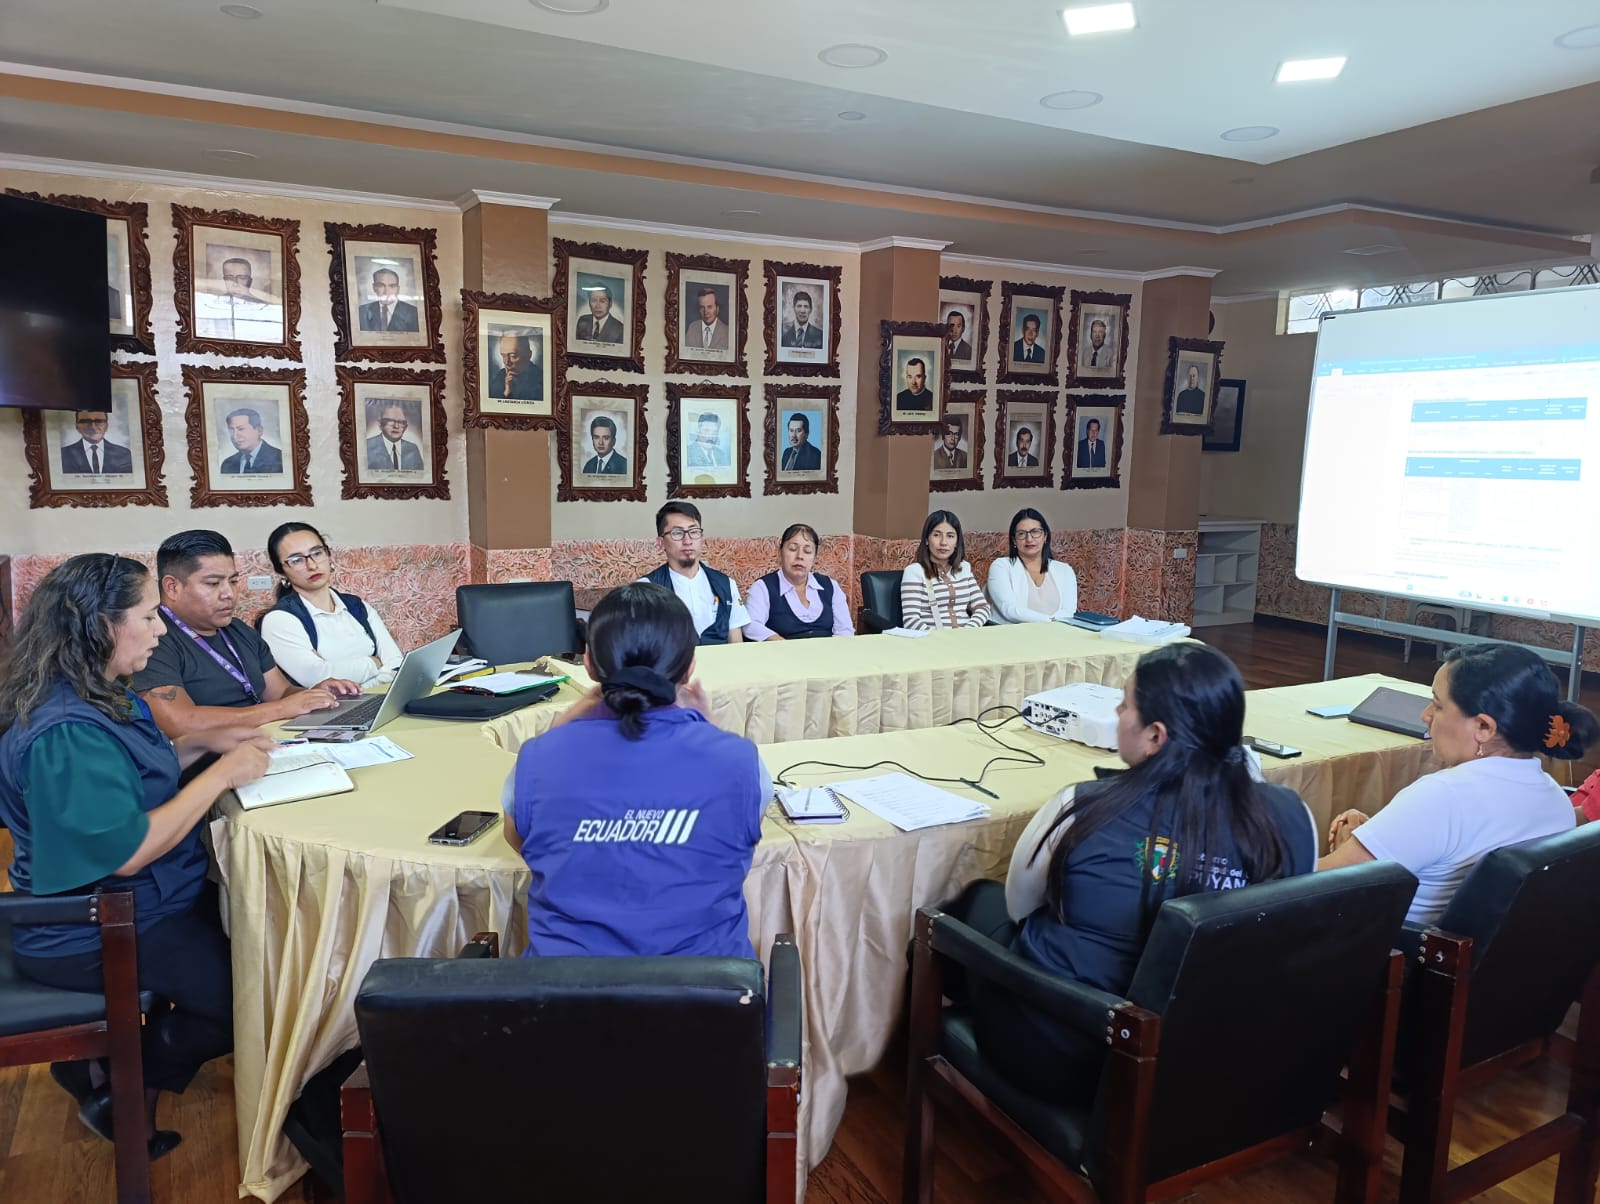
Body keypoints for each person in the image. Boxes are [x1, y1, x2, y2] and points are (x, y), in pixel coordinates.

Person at [942, 643, 1315, 1104]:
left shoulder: (1081, 807)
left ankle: (923, 1053)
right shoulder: (1293, 817)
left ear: (1155, 735)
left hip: (1068, 1056)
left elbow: (1021, 908)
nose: (1117, 713)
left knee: (976, 904)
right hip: (1211, 1058)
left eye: (1124, 704)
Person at [0, 554, 273, 1156]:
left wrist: (205, 743)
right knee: (250, 1002)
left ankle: (105, 1072)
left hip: (142, 897)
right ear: (102, 624)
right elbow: (126, 850)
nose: (159, 629)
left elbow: (135, 775)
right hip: (96, 922)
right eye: (149, 616)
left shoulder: (92, 691)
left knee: (259, 949)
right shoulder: (65, 729)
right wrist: (222, 773)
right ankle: (120, 1088)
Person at [501, 583, 767, 957]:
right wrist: (711, 730)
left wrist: (558, 732)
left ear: (589, 663)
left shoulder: (537, 761)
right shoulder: (741, 763)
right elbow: (734, 839)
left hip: (562, 991)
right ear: (689, 668)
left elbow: (521, 841)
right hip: (709, 990)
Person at [1319, 643, 1597, 925]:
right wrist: (1367, 843)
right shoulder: (1557, 800)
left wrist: (1344, 854)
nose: (1425, 715)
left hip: (1390, 945)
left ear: (1484, 727)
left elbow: (1319, 889)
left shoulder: (1443, 796)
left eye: (1438, 705)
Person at [132, 530, 361, 737]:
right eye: (213, 583)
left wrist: (315, 695)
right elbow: (176, 722)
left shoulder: (237, 629)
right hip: (215, 761)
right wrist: (280, 709)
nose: (229, 594)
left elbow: (280, 693)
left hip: (271, 745)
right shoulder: (152, 639)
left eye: (233, 581)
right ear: (172, 587)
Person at [258, 522, 404, 689]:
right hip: (327, 706)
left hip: (380, 699)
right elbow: (318, 678)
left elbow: (395, 664)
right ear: (281, 571)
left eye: (317, 553)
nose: (312, 565)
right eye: (296, 560)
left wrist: (361, 685)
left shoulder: (357, 606)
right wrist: (374, 662)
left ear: (328, 555)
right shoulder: (279, 620)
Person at [640, 502, 750, 644]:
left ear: (701, 537)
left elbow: (736, 645)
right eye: (677, 533)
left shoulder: (726, 584)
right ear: (661, 543)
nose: (687, 541)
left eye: (693, 532)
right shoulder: (645, 590)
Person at [744, 524, 854, 641]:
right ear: (780, 552)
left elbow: (845, 630)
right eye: (792, 549)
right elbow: (751, 625)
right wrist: (779, 642)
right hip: (782, 650)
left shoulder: (830, 586)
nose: (800, 556)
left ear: (815, 557)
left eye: (807, 551)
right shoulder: (763, 587)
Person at [900, 510, 990, 630]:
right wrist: (939, 638)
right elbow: (910, 620)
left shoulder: (964, 568)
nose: (943, 542)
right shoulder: (914, 572)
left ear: (957, 542)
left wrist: (968, 630)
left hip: (966, 636)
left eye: (950, 536)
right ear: (926, 539)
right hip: (932, 638)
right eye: (936, 535)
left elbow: (982, 607)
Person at [987, 509, 1079, 624]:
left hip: (1056, 632)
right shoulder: (1001, 567)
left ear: (1045, 536)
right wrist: (1050, 621)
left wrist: (1052, 626)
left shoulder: (1064, 570)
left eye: (1035, 532)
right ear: (1014, 540)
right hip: (1011, 633)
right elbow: (1009, 610)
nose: (1029, 539)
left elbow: (1068, 611)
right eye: (1021, 534)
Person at [194, 256, 281, 342]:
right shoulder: (212, 305)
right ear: (224, 279)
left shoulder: (264, 308)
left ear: (250, 281)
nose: (235, 283)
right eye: (230, 278)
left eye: (241, 278)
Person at [61, 410, 133, 475]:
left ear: (106, 426)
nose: (93, 427)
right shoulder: (63, 454)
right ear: (77, 426)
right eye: (86, 421)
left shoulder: (124, 454)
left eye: (99, 421)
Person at [219, 408, 283, 475]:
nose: (235, 436)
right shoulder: (227, 464)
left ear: (259, 430)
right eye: (231, 430)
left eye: (241, 429)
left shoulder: (280, 459)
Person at [356, 268, 419, 333]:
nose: (386, 292)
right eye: (381, 285)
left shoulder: (414, 313)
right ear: (374, 287)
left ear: (398, 289)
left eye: (392, 286)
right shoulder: (362, 311)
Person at [365, 403, 424, 471]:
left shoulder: (413, 449)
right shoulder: (367, 446)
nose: (396, 426)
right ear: (380, 424)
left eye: (401, 422)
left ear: (405, 427)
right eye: (390, 421)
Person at [491, 332, 542, 400]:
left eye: (513, 356)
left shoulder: (540, 378)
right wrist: (506, 393)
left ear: (528, 355)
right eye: (503, 356)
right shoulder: (500, 376)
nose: (506, 362)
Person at [683, 287, 728, 351]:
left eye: (709, 307)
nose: (705, 312)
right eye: (702, 307)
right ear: (699, 309)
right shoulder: (692, 327)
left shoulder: (727, 332)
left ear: (717, 309)